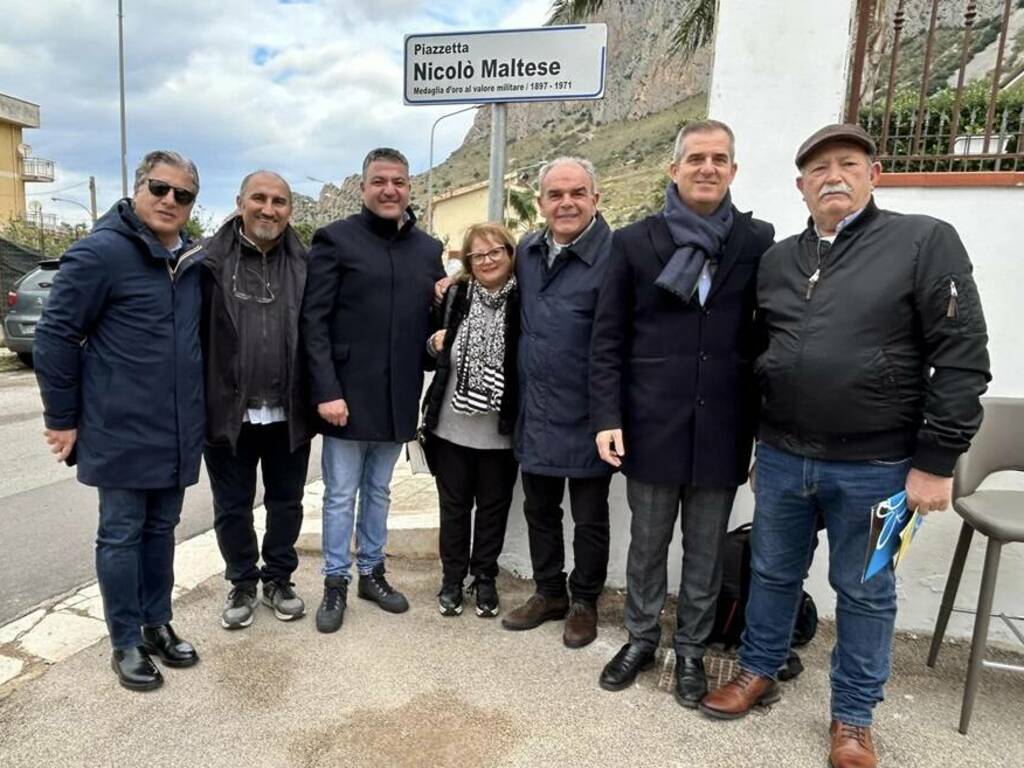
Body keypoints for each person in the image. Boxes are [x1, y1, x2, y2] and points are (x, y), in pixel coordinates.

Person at [699, 124, 990, 768]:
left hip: (881, 467)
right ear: (800, 185)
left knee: (866, 589)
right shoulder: (778, 259)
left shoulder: (923, 242)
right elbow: (759, 356)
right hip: (780, 457)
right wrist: (754, 439)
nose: (833, 175)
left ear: (873, 174)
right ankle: (758, 669)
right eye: (818, 168)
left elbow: (963, 358)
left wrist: (936, 462)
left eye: (848, 163)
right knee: (771, 571)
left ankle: (853, 719)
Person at [589, 120, 774, 705]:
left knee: (704, 548)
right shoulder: (634, 241)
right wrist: (606, 416)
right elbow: (607, 339)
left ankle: (691, 650)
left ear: (733, 171)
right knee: (646, 544)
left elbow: (767, 339)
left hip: (723, 426)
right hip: (650, 424)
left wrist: (764, 432)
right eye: (696, 157)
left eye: (720, 158)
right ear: (674, 169)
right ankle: (641, 638)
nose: (708, 168)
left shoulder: (757, 239)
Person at [34, 150, 205, 691]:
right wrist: (62, 419)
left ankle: (156, 623)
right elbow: (55, 336)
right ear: (138, 188)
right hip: (120, 427)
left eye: (183, 195)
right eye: (160, 188)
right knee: (121, 535)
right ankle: (125, 640)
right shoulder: (100, 253)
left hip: (176, 429)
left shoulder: (192, 261)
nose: (169, 201)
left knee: (162, 531)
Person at [302, 147, 445, 633]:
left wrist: (438, 334)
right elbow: (314, 322)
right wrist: (326, 389)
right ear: (363, 188)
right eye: (380, 181)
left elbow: (429, 327)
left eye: (399, 181)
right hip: (344, 394)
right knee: (341, 494)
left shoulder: (429, 250)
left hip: (397, 395)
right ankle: (335, 581)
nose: (390, 190)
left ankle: (372, 573)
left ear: (410, 188)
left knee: (380, 491)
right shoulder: (334, 240)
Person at [500, 157, 614, 649]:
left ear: (595, 198)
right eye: (555, 194)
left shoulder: (617, 254)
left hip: (592, 415)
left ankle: (585, 600)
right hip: (537, 411)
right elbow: (491, 284)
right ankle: (549, 593)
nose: (566, 202)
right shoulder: (526, 250)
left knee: (589, 517)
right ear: (542, 202)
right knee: (540, 509)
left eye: (577, 192)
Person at [199, 171, 314, 630]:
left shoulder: (309, 264)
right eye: (260, 199)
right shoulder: (206, 263)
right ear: (240, 201)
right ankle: (243, 581)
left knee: (287, 502)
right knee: (232, 506)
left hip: (291, 411)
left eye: (280, 201)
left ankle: (279, 579)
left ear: (290, 210)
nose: (269, 209)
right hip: (227, 412)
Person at [423, 223, 520, 619]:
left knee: (494, 509)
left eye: (495, 251)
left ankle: (484, 579)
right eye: (477, 255)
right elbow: (429, 347)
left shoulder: (525, 300)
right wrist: (434, 343)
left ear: (511, 254)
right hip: (451, 427)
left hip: (500, 432)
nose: (487, 260)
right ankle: (451, 580)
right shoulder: (456, 295)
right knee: (454, 508)